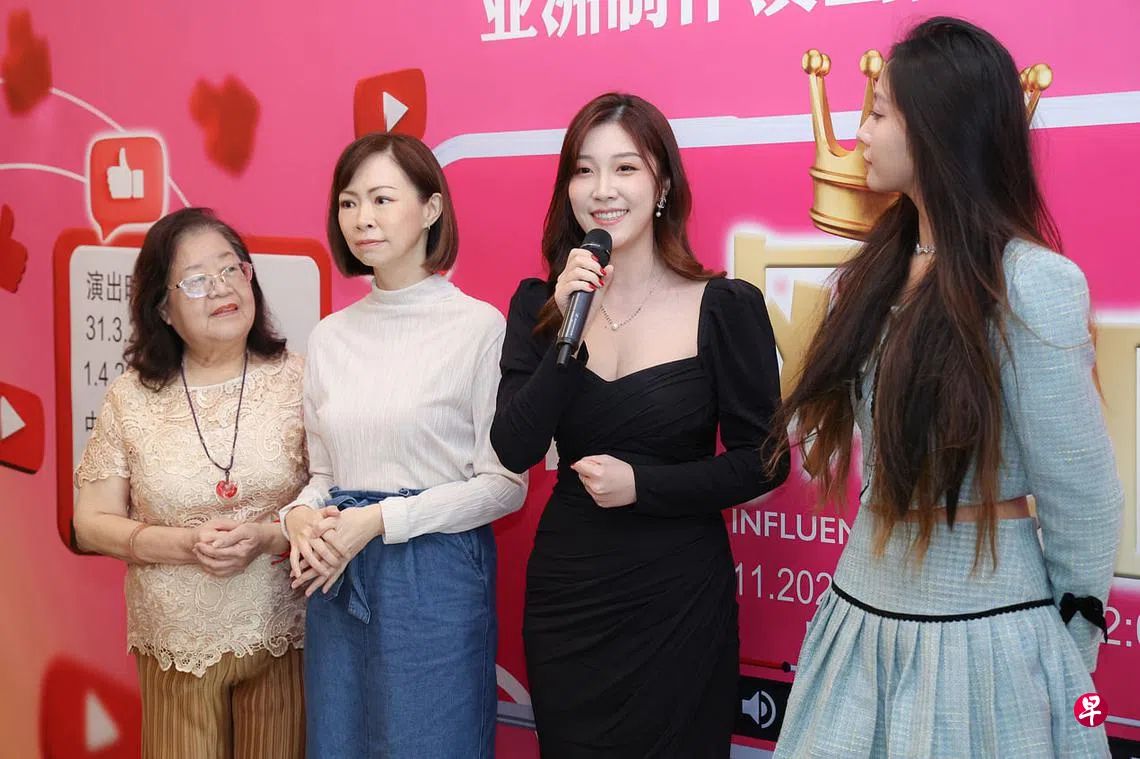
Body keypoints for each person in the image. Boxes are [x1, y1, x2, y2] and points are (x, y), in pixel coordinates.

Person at [771, 17, 1124, 758]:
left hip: (988, 640)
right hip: (860, 617)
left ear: (936, 128)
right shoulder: (875, 273)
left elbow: (1084, 497)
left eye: (877, 114)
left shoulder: (1030, 283)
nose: (860, 134)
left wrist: (1069, 653)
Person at [490, 92, 789, 758]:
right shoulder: (540, 304)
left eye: (624, 168)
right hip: (570, 598)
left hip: (679, 596)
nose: (602, 189)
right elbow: (514, 446)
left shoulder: (724, 305)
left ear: (663, 185)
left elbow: (764, 461)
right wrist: (566, 329)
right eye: (584, 170)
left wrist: (644, 486)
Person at [280, 132, 528, 758]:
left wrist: (380, 520)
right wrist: (299, 517)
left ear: (431, 209)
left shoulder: (478, 327)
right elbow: (324, 474)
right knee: (340, 742)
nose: (362, 218)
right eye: (348, 202)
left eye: (382, 199)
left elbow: (505, 486)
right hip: (338, 572)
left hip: (434, 573)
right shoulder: (330, 337)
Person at [72, 207, 308, 758]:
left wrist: (267, 536)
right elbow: (90, 522)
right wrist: (184, 545)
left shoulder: (298, 378)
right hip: (175, 643)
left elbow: (331, 498)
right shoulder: (131, 398)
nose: (221, 289)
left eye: (231, 269)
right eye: (197, 281)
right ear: (164, 308)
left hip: (283, 633)